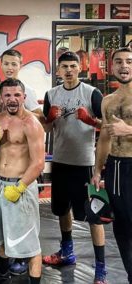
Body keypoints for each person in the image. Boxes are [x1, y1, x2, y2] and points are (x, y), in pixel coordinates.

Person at [42, 51, 107, 284]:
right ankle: (67, 252)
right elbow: (47, 129)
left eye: (72, 66)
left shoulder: (92, 93)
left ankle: (101, 268)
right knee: (61, 210)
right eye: (64, 67)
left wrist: (92, 122)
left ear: (79, 68)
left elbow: (107, 126)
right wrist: (48, 118)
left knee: (93, 216)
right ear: (58, 70)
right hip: (60, 161)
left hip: (85, 163)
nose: (68, 70)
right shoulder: (51, 94)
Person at [0, 49, 43, 275]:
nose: (12, 99)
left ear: (24, 96)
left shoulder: (31, 123)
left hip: (21, 185)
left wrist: (20, 187)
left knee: (29, 243)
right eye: (7, 95)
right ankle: (2, 271)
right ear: (1, 97)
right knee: (0, 233)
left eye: (17, 95)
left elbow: (38, 163)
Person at [91, 47, 132, 283]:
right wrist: (98, 169)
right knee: (122, 228)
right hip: (116, 167)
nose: (124, 66)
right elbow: (105, 138)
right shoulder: (107, 100)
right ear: (111, 66)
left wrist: (128, 130)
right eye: (118, 61)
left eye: (129, 61)